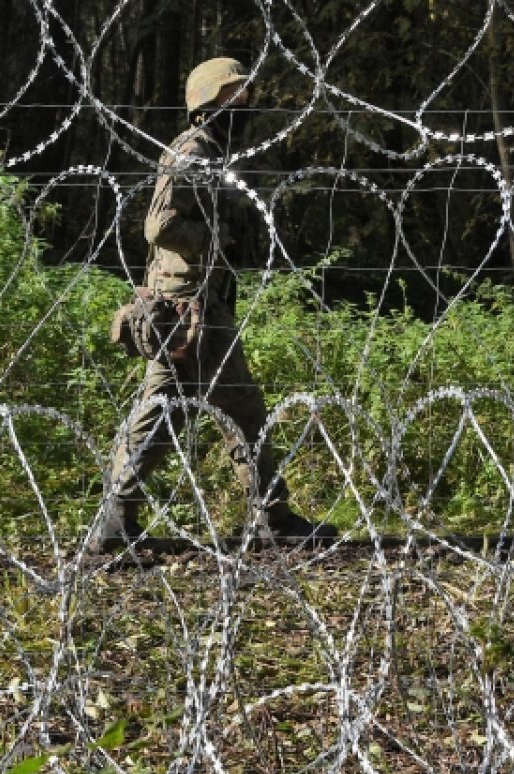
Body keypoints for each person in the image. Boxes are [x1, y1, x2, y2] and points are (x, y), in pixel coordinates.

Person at [90, 56, 333, 553]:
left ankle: (124, 520)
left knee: (202, 409)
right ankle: (267, 518)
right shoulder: (193, 151)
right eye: (234, 94)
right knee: (186, 411)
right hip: (188, 308)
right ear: (209, 101)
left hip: (199, 302)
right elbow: (159, 226)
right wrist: (216, 239)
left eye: (245, 93)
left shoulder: (216, 151)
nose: (245, 102)